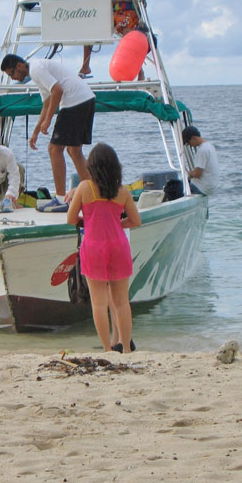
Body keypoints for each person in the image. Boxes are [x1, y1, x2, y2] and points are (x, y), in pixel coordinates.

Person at [67, 143, 140, 352]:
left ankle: (107, 349)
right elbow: (135, 221)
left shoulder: (84, 188)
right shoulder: (122, 192)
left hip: (93, 247)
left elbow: (71, 218)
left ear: (92, 166)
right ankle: (126, 348)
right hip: (118, 246)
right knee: (122, 302)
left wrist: (89, 223)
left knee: (99, 303)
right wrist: (116, 223)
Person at [1, 53, 96, 212]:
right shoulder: (37, 71)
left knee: (54, 149)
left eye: (12, 73)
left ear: (19, 65)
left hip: (74, 101)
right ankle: (94, 194)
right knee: (74, 150)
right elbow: (46, 104)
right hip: (86, 98)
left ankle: (61, 199)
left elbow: (57, 91)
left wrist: (49, 120)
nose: (13, 78)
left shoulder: (36, 68)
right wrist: (36, 131)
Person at [79, 0, 148, 78]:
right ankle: (85, 67)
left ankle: (140, 72)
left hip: (129, 14)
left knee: (128, 35)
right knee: (90, 28)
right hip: (115, 14)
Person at [182, 126, 219, 196]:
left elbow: (197, 174)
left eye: (188, 142)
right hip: (211, 186)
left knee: (177, 188)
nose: (190, 145)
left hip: (203, 188)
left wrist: (190, 173)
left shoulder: (202, 150)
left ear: (193, 138)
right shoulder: (210, 146)